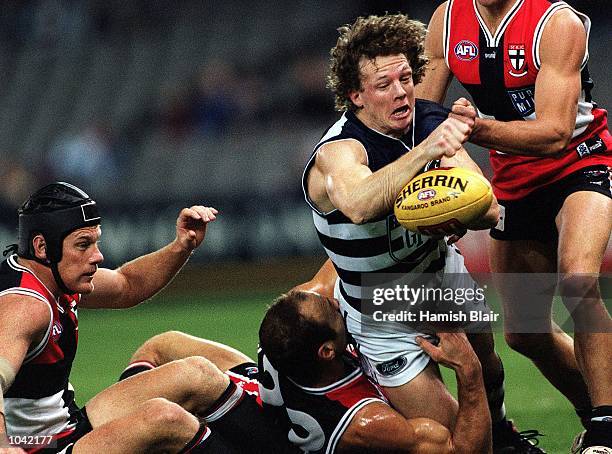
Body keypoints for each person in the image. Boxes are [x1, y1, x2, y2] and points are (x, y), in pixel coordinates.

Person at [302, 13, 542, 453]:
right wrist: (428, 151)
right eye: (383, 85)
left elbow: (488, 207)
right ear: (354, 95)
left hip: (440, 277)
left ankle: (507, 438)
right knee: (452, 440)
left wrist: (455, 211)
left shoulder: (429, 120)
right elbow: (357, 205)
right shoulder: (339, 151)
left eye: (406, 78)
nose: (401, 92)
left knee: (486, 368)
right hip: (381, 309)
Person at [416, 1, 612, 451]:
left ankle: (605, 431)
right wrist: (443, 184)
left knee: (579, 282)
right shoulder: (447, 20)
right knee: (525, 331)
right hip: (512, 180)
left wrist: (471, 129)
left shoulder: (555, 21)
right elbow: (424, 114)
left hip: (578, 163)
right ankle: (599, 413)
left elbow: (554, 133)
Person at [0, 182, 228, 453]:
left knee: (194, 373)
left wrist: (182, 246)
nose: (97, 256)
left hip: (66, 427)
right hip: (39, 448)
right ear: (41, 247)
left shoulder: (53, 275)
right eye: (83, 244)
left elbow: (126, 285)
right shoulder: (26, 306)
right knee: (165, 419)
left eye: (96, 241)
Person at [120, 290, 493, 453]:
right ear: (328, 351)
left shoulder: (284, 347)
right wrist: (470, 373)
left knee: (174, 355)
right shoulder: (364, 421)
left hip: (259, 408)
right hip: (265, 430)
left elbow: (160, 345)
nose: (335, 302)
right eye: (330, 310)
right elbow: (461, 450)